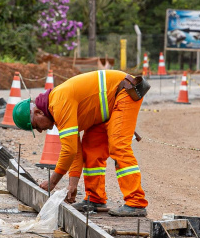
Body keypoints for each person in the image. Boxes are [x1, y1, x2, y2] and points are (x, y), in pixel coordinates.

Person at [11, 70, 150, 217]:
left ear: (38, 112)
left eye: (36, 126)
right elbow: (75, 150)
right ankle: (95, 199)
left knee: (118, 146)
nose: (40, 131)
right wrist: (72, 185)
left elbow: (69, 150)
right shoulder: (56, 109)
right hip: (107, 106)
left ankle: (136, 203)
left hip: (124, 92)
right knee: (90, 149)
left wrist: (52, 182)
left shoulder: (59, 103)